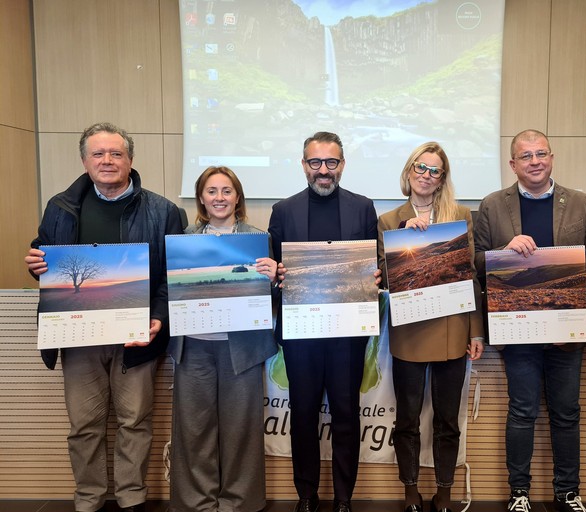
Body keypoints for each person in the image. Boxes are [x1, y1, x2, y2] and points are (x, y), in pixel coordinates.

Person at [24, 122, 183, 512]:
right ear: (84, 160)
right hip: (78, 337)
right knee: (84, 426)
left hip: (137, 336)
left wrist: (159, 317)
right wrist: (37, 265)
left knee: (135, 422)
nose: (107, 161)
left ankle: (132, 498)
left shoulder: (164, 211)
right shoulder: (60, 207)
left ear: (130, 159)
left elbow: (171, 277)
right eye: (98, 154)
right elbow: (45, 257)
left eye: (116, 153)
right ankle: (88, 499)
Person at [473, 130, 586, 512]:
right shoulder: (493, 205)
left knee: (567, 413)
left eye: (541, 153)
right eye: (525, 155)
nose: (535, 161)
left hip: (567, 326)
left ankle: (567, 492)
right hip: (517, 326)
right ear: (512, 164)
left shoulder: (580, 203)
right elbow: (476, 261)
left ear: (552, 157)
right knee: (522, 411)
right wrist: (503, 252)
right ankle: (520, 493)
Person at [268, 131, 378, 512]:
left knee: (347, 415)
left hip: (348, 334)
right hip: (301, 334)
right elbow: (273, 272)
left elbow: (374, 266)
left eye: (331, 162)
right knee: (302, 415)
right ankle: (306, 496)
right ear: (304, 166)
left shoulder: (364, 208)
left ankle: (344, 499)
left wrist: (375, 276)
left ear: (342, 165)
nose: (323, 171)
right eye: (315, 163)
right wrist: (278, 274)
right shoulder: (283, 211)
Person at [377, 142, 485, 512]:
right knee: (406, 418)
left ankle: (444, 490)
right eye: (420, 168)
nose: (426, 175)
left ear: (442, 179)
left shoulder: (460, 216)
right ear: (409, 173)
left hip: (452, 329)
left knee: (446, 419)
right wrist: (405, 240)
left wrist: (475, 330)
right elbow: (384, 280)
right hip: (409, 331)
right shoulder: (389, 221)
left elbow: (469, 275)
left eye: (434, 170)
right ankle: (410, 490)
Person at [168, 166, 278, 512]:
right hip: (194, 346)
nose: (219, 198)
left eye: (227, 191)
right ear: (201, 197)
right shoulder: (183, 240)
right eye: (212, 191)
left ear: (237, 197)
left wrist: (274, 278)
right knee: (193, 429)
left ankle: (240, 503)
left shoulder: (258, 239)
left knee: (241, 429)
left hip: (240, 348)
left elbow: (269, 299)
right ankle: (195, 502)